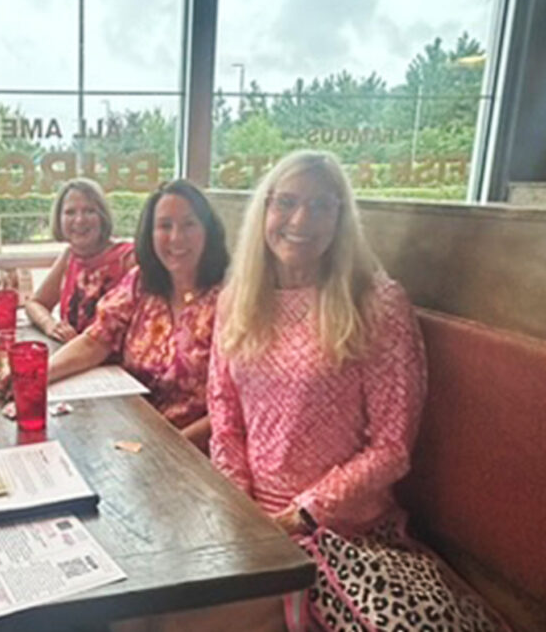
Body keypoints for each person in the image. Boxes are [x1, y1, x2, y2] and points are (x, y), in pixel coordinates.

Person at [208, 151, 508, 631]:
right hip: (247, 519)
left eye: (322, 206)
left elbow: (391, 448)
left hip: (342, 530)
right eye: (286, 202)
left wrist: (300, 516)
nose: (301, 220)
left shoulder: (378, 304)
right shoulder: (236, 299)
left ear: (341, 219)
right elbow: (224, 414)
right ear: (264, 210)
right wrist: (245, 511)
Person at [24, 180, 229, 446]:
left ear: (208, 231)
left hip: (190, 448)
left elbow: (231, 408)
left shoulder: (229, 299)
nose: (176, 237)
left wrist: (170, 447)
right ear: (150, 233)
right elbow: (95, 340)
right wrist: (35, 378)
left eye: (189, 224)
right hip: (126, 430)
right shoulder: (141, 281)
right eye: (165, 226)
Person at [25, 178, 136, 342]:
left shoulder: (128, 258)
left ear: (102, 217)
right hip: (78, 360)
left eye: (89, 211)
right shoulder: (70, 256)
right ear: (59, 219)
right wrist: (51, 325)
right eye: (70, 212)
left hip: (115, 365)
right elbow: (35, 303)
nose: (79, 220)